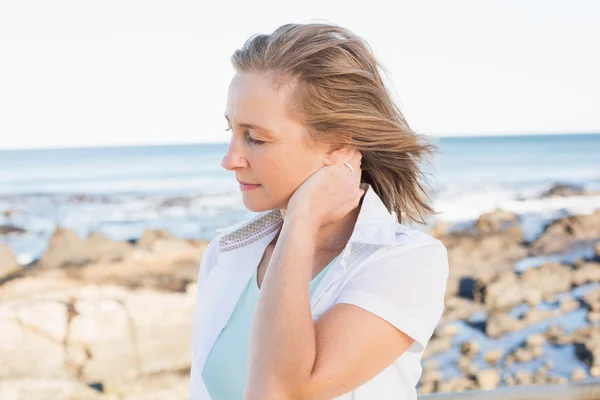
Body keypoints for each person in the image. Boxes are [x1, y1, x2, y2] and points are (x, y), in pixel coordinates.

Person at [189, 22, 449, 400]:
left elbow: (285, 389)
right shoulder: (227, 254)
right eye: (231, 130)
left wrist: (302, 220)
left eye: (256, 138)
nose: (230, 160)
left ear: (338, 145)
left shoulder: (406, 263)